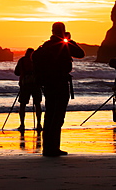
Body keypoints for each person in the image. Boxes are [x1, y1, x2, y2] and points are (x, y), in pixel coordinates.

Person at [32, 22, 85, 157]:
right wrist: (69, 40)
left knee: (49, 114)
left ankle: (47, 147)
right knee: (58, 115)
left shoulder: (45, 46)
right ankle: (53, 147)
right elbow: (80, 53)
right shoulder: (64, 44)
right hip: (60, 82)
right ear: (63, 31)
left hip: (48, 83)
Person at [14, 48, 43, 131]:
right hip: (36, 84)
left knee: (22, 104)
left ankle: (22, 124)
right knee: (37, 104)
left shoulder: (22, 60)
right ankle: (39, 124)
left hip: (25, 84)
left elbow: (16, 72)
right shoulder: (37, 61)